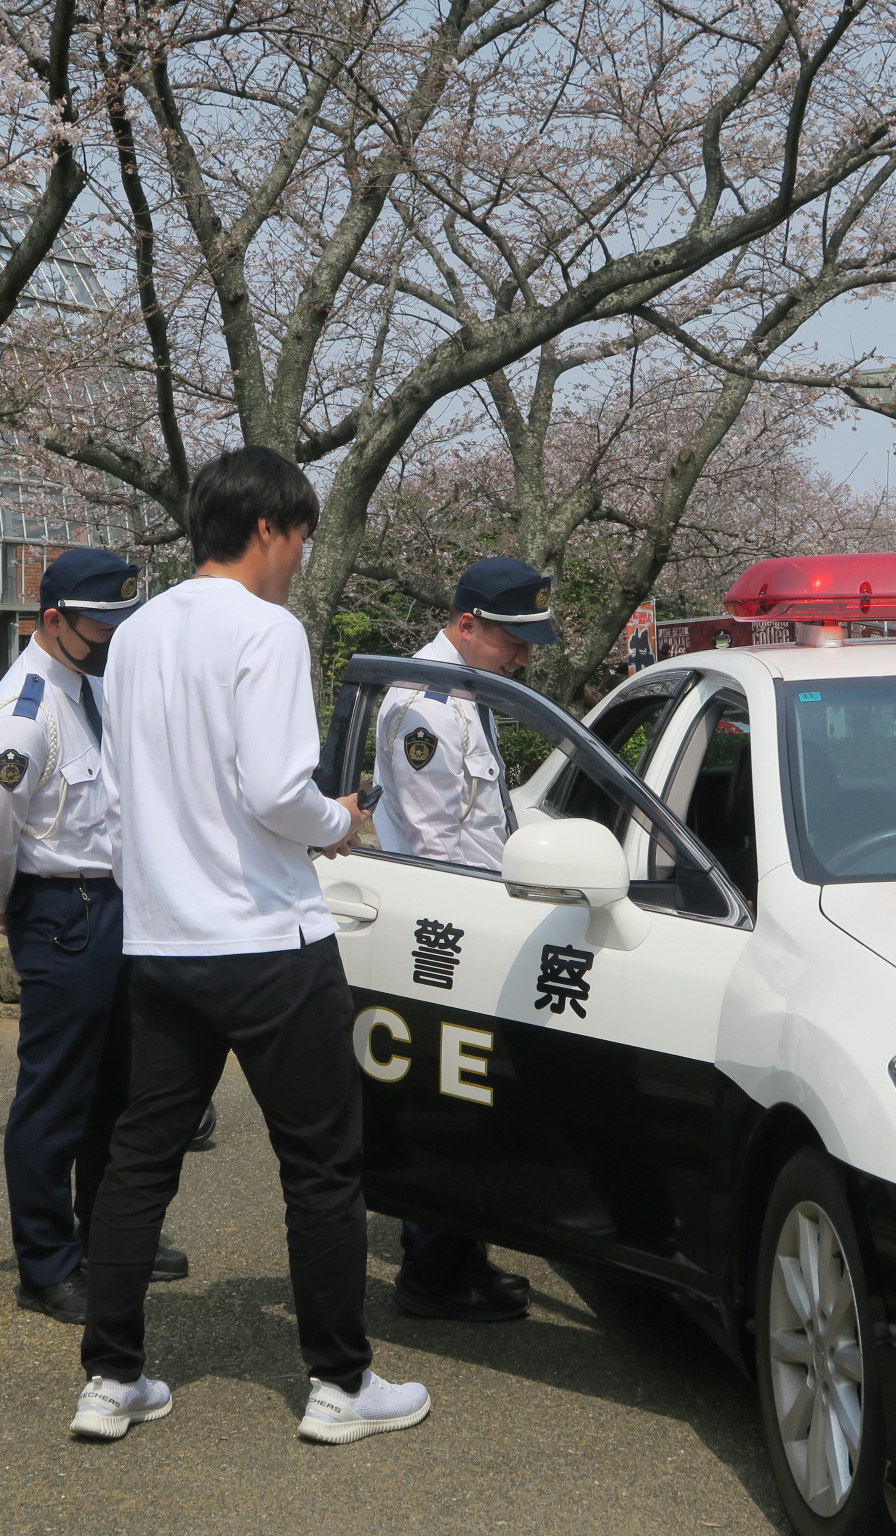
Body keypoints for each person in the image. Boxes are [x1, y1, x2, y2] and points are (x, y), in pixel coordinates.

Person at [71, 446, 429, 1447]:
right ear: (268, 528)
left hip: (161, 941)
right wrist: (339, 821)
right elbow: (277, 791)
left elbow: (120, 792)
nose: (300, 559)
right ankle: (340, 1383)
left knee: (139, 1158)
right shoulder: (268, 630)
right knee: (320, 1164)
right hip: (269, 939)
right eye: (300, 539)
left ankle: (109, 1378)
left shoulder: (136, 635)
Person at [0, 549, 190, 1324]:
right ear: (53, 620)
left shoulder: (90, 687)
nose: (113, 639)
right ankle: (47, 1262)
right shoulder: (23, 715)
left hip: (116, 904)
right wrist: (6, 904)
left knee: (120, 1089)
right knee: (56, 1095)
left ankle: (110, 1236)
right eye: (101, 627)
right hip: (62, 910)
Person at [372, 556, 561, 1322]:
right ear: (466, 625)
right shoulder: (426, 708)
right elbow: (435, 846)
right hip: (447, 927)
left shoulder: (464, 694)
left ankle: (459, 1257)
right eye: (512, 641)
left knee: (468, 1097)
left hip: (471, 916)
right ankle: (433, 1274)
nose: (522, 657)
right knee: (448, 1102)